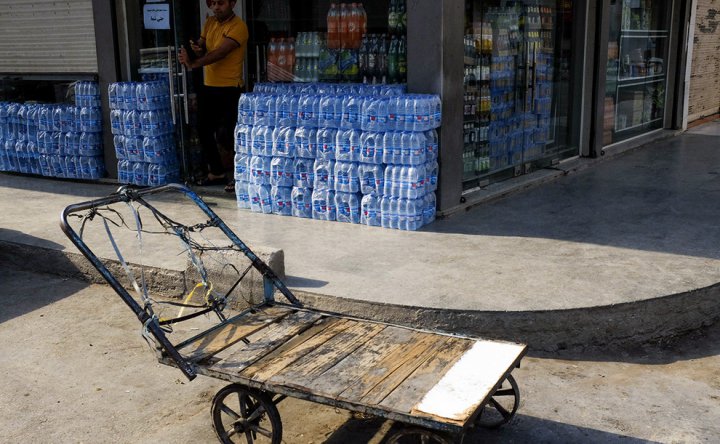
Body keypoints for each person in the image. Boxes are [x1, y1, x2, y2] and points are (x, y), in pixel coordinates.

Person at [179, 0, 248, 192]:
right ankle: (216, 172)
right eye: (213, 3)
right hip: (209, 85)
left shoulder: (239, 27)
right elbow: (202, 45)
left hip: (229, 88)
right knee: (203, 129)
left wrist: (194, 63)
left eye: (221, 3)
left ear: (232, 3)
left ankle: (239, 176)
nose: (216, 7)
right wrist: (194, 49)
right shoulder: (210, 22)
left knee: (229, 134)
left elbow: (220, 53)